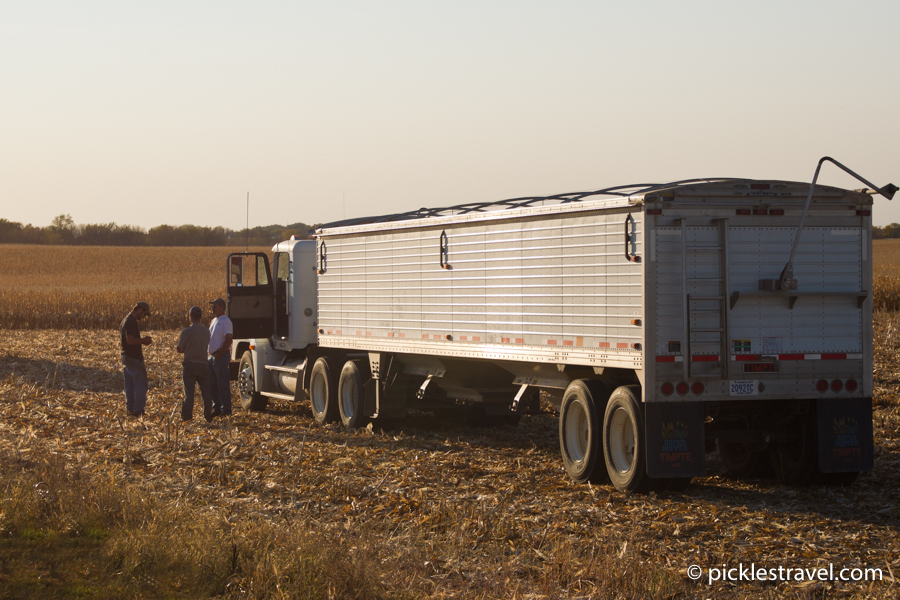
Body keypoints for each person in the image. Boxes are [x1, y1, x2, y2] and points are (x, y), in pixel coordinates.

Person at [177, 306, 213, 422]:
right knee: (206, 392)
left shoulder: (186, 331)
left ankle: (187, 417)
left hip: (190, 365)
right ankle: (208, 415)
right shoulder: (207, 331)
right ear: (201, 317)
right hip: (203, 364)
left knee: (189, 393)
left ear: (190, 316)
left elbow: (180, 349)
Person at [120, 301, 153, 417]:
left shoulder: (126, 320)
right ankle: (138, 410)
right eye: (144, 314)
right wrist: (143, 341)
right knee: (140, 384)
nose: (144, 317)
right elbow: (130, 340)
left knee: (129, 385)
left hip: (126, 357)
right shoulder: (130, 322)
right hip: (133, 357)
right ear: (139, 310)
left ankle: (130, 410)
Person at [208, 297, 234, 417]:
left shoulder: (225, 321)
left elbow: (228, 340)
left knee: (222, 384)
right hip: (212, 357)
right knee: (212, 384)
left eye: (215, 306)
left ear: (222, 308)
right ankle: (217, 407)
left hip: (221, 356)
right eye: (212, 306)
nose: (213, 308)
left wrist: (219, 354)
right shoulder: (214, 321)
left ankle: (226, 409)